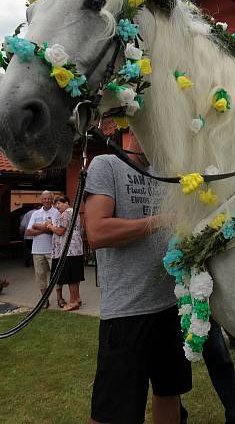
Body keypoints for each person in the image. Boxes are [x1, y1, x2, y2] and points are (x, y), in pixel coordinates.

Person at [84, 132, 191, 424]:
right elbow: (96, 232)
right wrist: (159, 221)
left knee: (170, 392)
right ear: (134, 127)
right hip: (126, 312)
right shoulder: (106, 165)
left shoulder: (166, 173)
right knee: (114, 412)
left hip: (169, 306)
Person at [47, 195, 85, 310]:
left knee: (71, 277)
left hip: (69, 250)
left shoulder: (66, 213)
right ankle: (77, 298)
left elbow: (60, 231)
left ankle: (73, 301)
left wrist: (49, 225)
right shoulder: (74, 212)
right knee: (75, 275)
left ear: (67, 203)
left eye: (59, 203)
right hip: (76, 249)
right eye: (56, 204)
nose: (57, 206)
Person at [25, 191, 57, 307]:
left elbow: (55, 230)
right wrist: (46, 227)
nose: (47, 200)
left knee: (56, 275)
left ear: (52, 200)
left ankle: (59, 298)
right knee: (40, 276)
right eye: (45, 199)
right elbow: (28, 231)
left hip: (52, 250)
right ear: (41, 200)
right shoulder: (36, 213)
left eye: (49, 198)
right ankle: (44, 300)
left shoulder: (56, 212)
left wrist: (37, 226)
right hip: (37, 250)